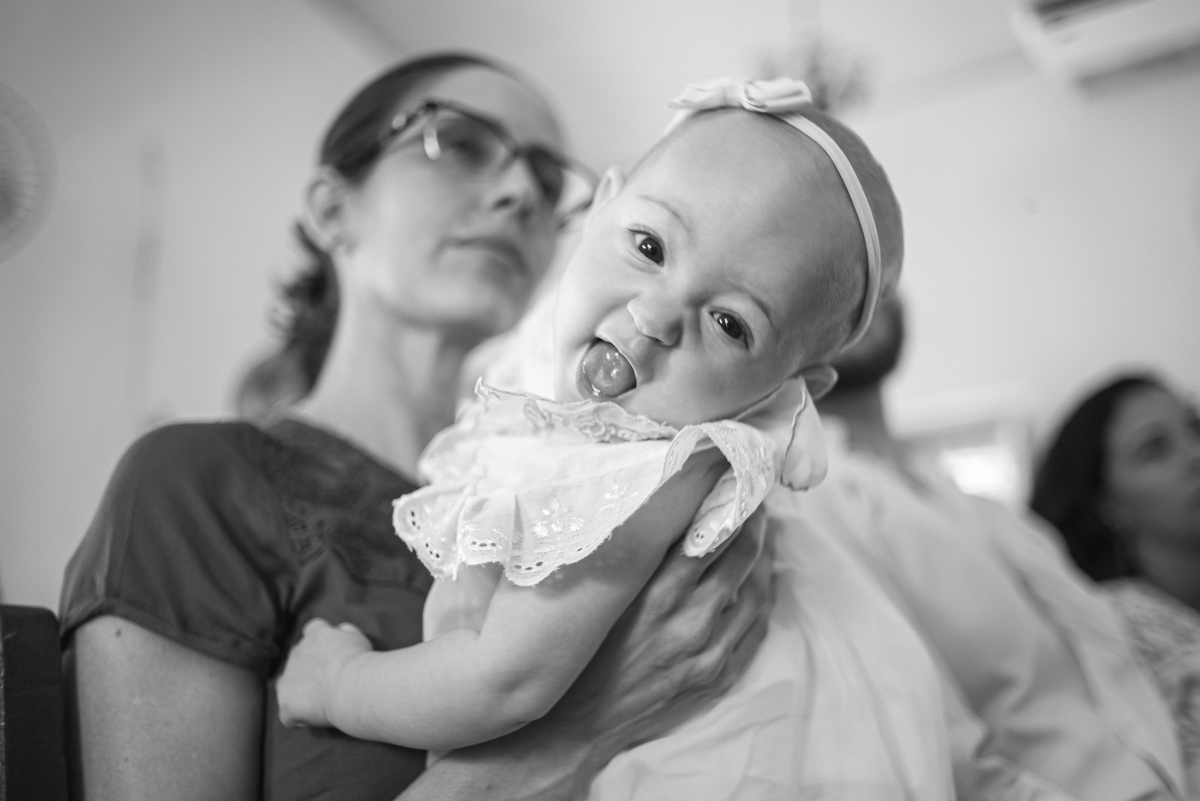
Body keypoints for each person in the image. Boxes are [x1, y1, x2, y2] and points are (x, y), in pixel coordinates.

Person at [58, 53, 775, 801]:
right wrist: (578, 736)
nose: (518, 194)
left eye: (544, 180)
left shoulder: (594, 498)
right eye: (460, 143)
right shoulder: (194, 485)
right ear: (333, 210)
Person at [277, 76, 957, 800]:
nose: (656, 316)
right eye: (649, 245)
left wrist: (339, 683)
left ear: (789, 389)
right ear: (601, 208)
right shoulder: (538, 382)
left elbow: (502, 681)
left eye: (730, 323)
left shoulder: (639, 477)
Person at [810, 302, 1187, 800]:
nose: (865, 285)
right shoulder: (814, 512)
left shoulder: (963, 498)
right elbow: (941, 758)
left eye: (880, 268)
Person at [1032, 373, 1200, 798]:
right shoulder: (1121, 624)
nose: (1195, 455)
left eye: (1196, 429)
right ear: (1107, 506)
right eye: (1155, 449)